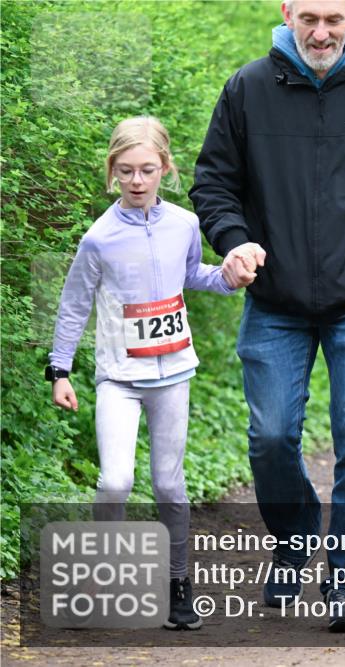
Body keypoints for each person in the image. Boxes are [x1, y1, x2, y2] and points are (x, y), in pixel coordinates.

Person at [189, 0, 345, 632]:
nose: (322, 31)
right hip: (274, 298)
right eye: (310, 17)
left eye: (334, 18)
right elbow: (213, 183)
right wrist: (234, 239)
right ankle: (297, 534)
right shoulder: (248, 87)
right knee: (271, 436)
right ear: (288, 12)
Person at [48, 116, 242, 631]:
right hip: (119, 378)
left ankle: (179, 586)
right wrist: (59, 370)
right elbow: (73, 306)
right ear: (112, 171)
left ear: (165, 169)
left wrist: (229, 278)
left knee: (169, 487)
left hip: (173, 374)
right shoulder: (99, 238)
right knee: (115, 482)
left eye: (148, 170)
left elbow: (194, 276)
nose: (137, 181)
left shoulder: (184, 224)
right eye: (127, 171)